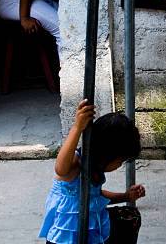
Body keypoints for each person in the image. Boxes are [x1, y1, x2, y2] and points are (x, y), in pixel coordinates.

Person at [39, 100, 146, 244]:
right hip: (65, 236)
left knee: (131, 216)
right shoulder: (76, 165)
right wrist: (77, 127)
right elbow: (60, 168)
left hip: (90, 227)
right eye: (119, 161)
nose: (119, 166)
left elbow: (97, 196)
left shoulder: (95, 168)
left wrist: (126, 196)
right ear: (106, 154)